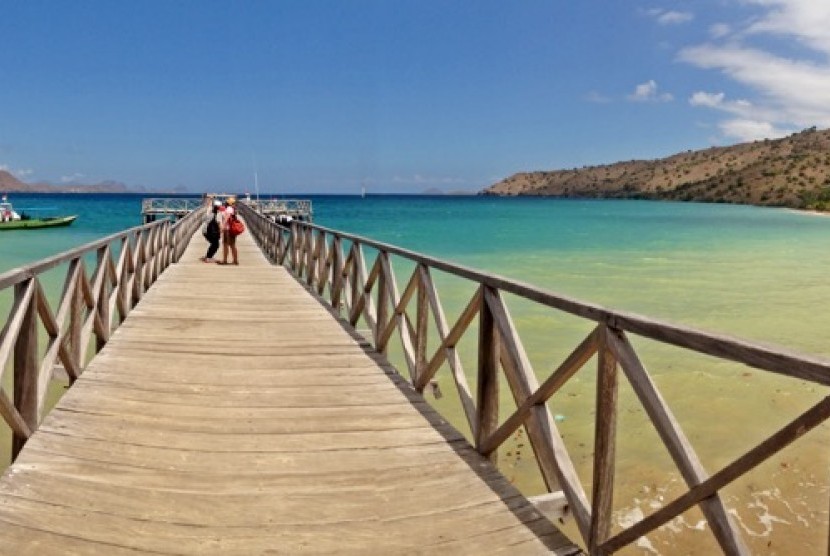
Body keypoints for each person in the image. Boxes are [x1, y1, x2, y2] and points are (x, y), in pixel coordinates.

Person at [221, 197, 239, 265]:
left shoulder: (229, 209)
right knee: (228, 245)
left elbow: (226, 218)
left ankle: (234, 260)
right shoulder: (231, 209)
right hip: (228, 229)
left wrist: (222, 227)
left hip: (228, 229)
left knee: (230, 245)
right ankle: (228, 260)